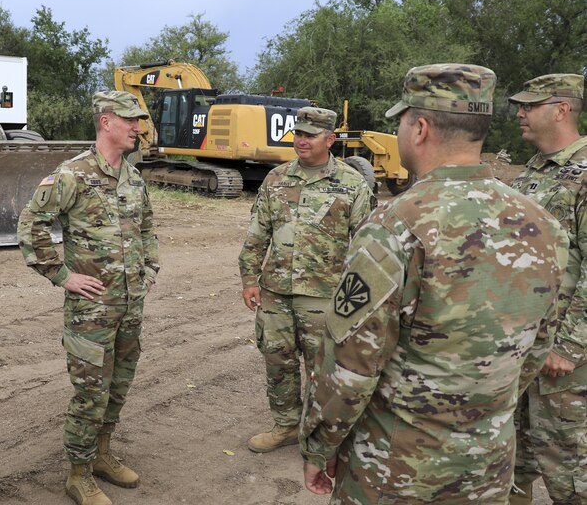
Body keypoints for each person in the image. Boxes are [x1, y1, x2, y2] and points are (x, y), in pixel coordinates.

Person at [299, 63, 570, 504]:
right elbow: (536, 347)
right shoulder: (544, 225)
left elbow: (351, 364)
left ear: (419, 127)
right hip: (488, 465)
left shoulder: (395, 225)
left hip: (396, 469)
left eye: (402, 121)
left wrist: (320, 445)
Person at [18, 91, 159, 505]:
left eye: (139, 121)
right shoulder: (72, 174)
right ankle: (78, 474)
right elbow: (31, 225)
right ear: (106, 122)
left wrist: (149, 269)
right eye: (130, 120)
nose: (138, 128)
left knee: (118, 386)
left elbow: (147, 228)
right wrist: (63, 275)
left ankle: (101, 454)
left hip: (130, 307)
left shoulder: (133, 178)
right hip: (90, 312)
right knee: (90, 393)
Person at [238, 106, 373, 453]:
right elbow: (257, 234)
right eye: (297, 133)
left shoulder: (351, 183)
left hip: (325, 295)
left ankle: (320, 433)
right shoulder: (277, 178)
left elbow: (365, 248)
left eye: (309, 135)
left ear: (329, 139)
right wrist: (249, 278)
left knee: (324, 368)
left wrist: (356, 299)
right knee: (277, 361)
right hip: (276, 291)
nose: (300, 140)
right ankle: (284, 424)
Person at [508, 73, 587, 504]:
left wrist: (571, 347)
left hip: (563, 360)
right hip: (522, 346)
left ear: (561, 110)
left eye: (529, 105)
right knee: (513, 461)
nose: (520, 113)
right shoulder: (533, 171)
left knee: (568, 469)